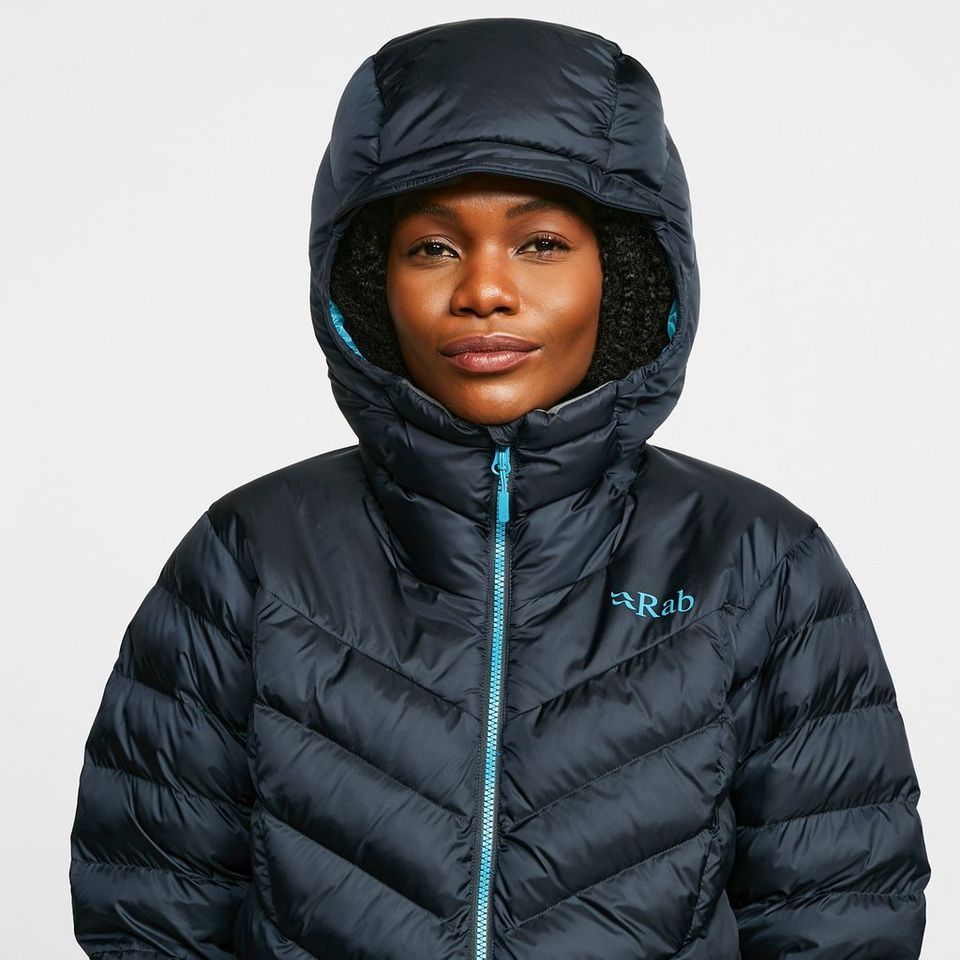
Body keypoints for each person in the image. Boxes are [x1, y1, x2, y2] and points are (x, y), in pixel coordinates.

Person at [69, 16, 930, 960]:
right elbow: (150, 906)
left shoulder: (754, 560)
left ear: (627, 276)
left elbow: (841, 914)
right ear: (367, 281)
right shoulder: (252, 555)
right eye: (433, 248)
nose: (484, 289)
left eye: (542, 244)